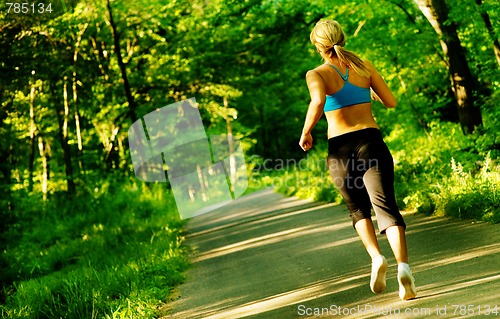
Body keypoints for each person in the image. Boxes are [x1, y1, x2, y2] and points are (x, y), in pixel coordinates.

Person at [299, 19, 416, 301]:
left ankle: (377, 258)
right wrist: (368, 92)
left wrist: (306, 132)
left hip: (340, 149)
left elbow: (317, 103)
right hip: (371, 142)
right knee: (386, 206)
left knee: (358, 209)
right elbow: (391, 101)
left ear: (318, 45)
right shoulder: (364, 66)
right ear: (343, 38)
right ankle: (404, 267)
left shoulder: (316, 74)